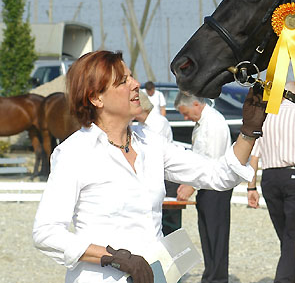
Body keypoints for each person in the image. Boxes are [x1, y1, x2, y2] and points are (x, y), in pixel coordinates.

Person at [32, 50, 266, 283]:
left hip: (155, 277)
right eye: (123, 81)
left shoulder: (151, 143)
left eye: (131, 76)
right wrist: (112, 257)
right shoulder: (75, 153)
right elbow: (46, 233)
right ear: (96, 98)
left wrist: (248, 132)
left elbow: (219, 175)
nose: (136, 84)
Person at [247, 82, 295, 283]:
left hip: (270, 179)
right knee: (293, 236)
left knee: (286, 236)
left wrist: (251, 186)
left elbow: (254, 156)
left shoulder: (266, 117)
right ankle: (284, 279)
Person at [174, 93, 232, 283]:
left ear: (196, 104)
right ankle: (211, 274)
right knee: (207, 234)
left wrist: (191, 184)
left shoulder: (213, 122)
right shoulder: (204, 123)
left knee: (216, 234)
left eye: (186, 113)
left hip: (215, 185)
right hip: (206, 185)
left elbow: (211, 161)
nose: (185, 118)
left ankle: (217, 277)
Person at [133, 91, 181, 236]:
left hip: (165, 177)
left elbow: (150, 154)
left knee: (169, 224)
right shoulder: (144, 124)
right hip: (157, 176)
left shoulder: (157, 123)